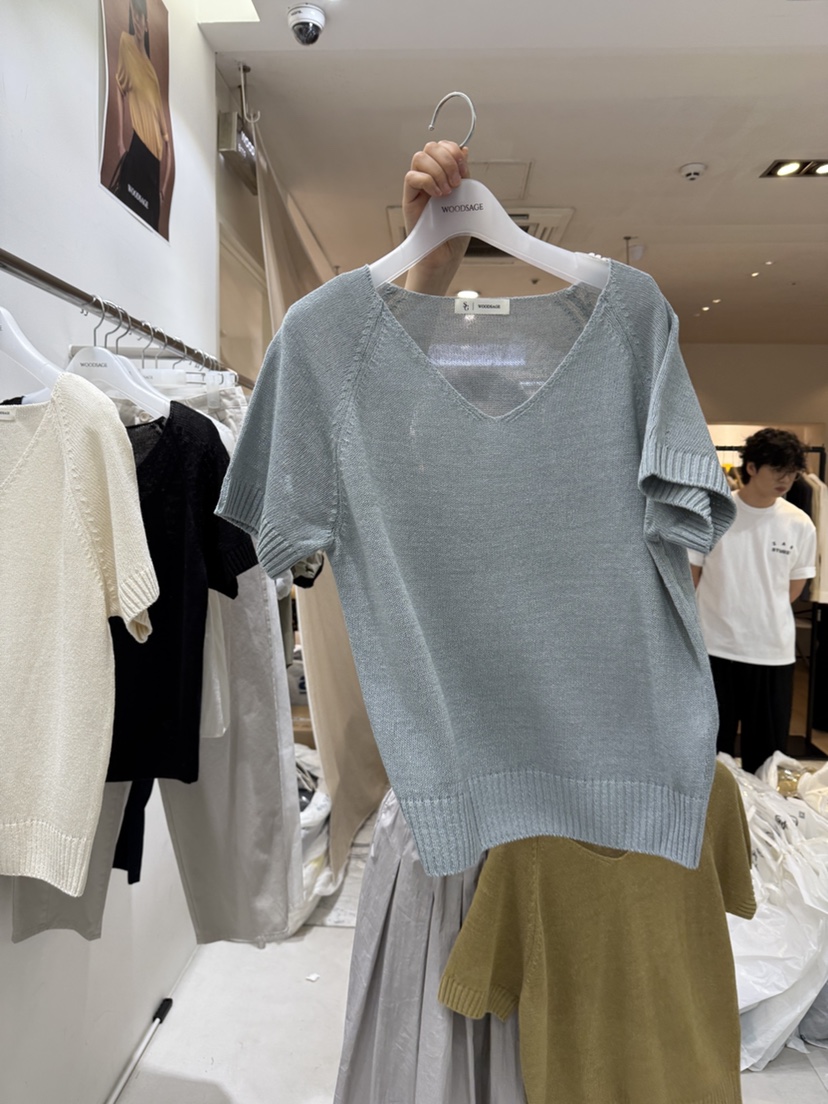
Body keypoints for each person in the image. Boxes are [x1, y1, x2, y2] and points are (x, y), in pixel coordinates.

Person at [689, 428, 817, 773]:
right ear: (751, 468)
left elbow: (794, 588)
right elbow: (692, 577)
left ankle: (760, 809)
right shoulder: (715, 513)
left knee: (767, 757)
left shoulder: (799, 523)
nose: (786, 480)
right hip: (715, 647)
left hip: (772, 651)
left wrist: (761, 610)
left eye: (792, 472)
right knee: (710, 754)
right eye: (777, 470)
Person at [113, 0, 172, 231]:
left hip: (154, 162)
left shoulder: (153, 74)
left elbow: (166, 139)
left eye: (141, 17)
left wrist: (163, 187)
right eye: (134, 16)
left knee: (148, 226)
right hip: (138, 148)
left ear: (147, 24)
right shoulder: (125, 43)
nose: (137, 21)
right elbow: (119, 87)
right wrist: (120, 142)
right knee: (124, 214)